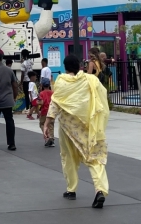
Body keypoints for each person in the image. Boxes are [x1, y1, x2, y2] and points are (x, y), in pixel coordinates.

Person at [45, 54, 110, 206]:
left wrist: (47, 123)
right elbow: (101, 97)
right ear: (80, 66)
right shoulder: (90, 80)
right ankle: (100, 190)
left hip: (67, 127)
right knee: (94, 157)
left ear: (65, 67)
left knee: (69, 158)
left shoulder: (61, 81)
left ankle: (71, 190)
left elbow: (55, 103)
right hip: (88, 126)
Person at [0, 50, 19, 150]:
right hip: (7, 100)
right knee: (9, 121)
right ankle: (11, 144)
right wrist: (14, 96)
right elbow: (15, 86)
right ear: (2, 58)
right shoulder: (9, 70)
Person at [38, 78, 54, 147]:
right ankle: (51, 139)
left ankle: (47, 136)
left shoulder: (41, 93)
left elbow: (41, 102)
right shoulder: (52, 92)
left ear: (42, 85)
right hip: (52, 111)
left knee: (42, 124)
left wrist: (37, 102)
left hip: (44, 111)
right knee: (51, 125)